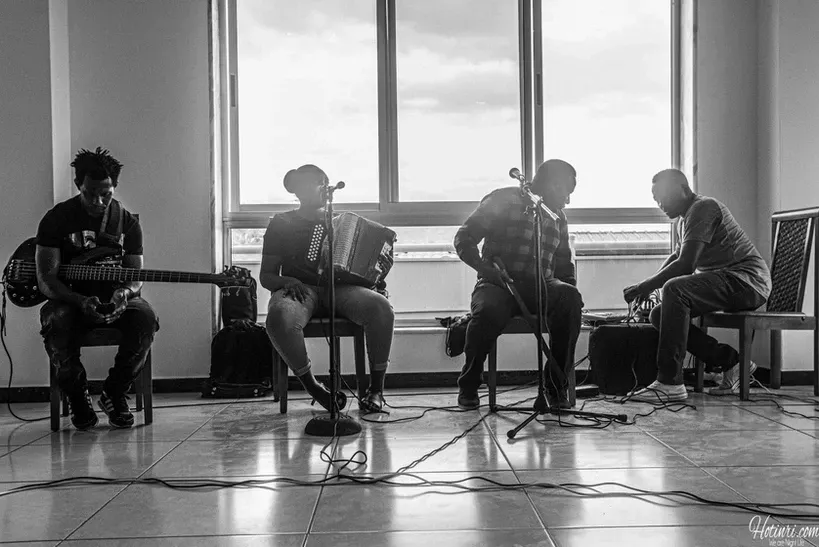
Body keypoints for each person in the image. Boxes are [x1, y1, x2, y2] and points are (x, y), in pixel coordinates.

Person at [36, 147, 159, 430]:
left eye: (106, 193)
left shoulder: (126, 222)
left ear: (115, 187)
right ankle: (77, 397)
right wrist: (78, 299)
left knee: (145, 318)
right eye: (90, 192)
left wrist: (124, 294)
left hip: (114, 297)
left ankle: (114, 393)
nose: (98, 200)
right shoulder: (57, 219)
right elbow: (46, 279)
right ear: (79, 184)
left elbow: (135, 275)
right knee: (56, 321)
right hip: (67, 298)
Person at [623, 168, 772, 402]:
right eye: (655, 199)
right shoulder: (684, 220)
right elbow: (676, 257)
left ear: (683, 189)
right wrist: (649, 285)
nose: (659, 204)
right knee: (659, 314)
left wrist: (644, 286)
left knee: (675, 288)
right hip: (727, 281)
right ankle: (731, 362)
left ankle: (670, 382)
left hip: (747, 281)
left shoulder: (703, 208)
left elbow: (685, 264)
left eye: (663, 197)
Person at [260, 164, 394, 413]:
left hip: (340, 289)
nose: (324, 186)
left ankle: (376, 390)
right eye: (317, 181)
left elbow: (364, 275)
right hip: (299, 289)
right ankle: (313, 387)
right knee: (280, 316)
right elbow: (266, 276)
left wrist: (380, 269)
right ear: (299, 190)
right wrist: (287, 281)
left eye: (326, 181)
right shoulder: (281, 223)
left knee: (381, 306)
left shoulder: (342, 224)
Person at [453, 159, 584, 410]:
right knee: (488, 311)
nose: (567, 200)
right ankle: (469, 384)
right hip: (497, 284)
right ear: (554, 184)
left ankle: (555, 387)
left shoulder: (558, 217)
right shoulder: (502, 200)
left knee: (569, 299)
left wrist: (571, 296)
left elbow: (564, 264)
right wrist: (486, 270)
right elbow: (464, 238)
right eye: (567, 191)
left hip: (541, 286)